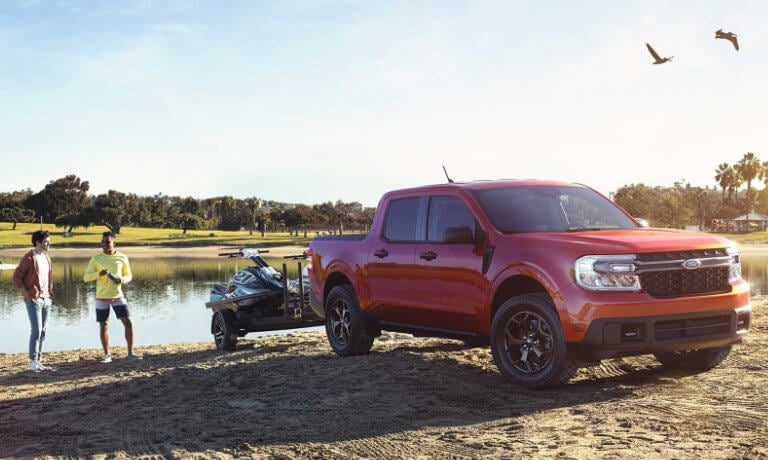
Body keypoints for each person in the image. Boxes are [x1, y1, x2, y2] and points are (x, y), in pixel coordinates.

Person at [83, 231, 142, 362]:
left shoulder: (122, 257)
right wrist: (99, 274)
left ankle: (130, 353)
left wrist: (121, 279)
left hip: (117, 296)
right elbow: (86, 278)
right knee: (104, 325)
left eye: (107, 242)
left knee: (128, 322)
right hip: (101, 297)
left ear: (114, 242)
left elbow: (129, 276)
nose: (104, 244)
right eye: (102, 242)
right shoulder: (96, 259)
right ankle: (106, 354)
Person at [13, 230, 54, 372]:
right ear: (37, 242)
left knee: (43, 331)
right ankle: (33, 362)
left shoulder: (47, 257)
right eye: (46, 242)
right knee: (36, 330)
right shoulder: (29, 258)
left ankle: (39, 361)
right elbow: (16, 277)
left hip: (47, 298)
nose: (48, 244)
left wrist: (49, 293)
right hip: (34, 299)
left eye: (49, 242)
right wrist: (26, 294)